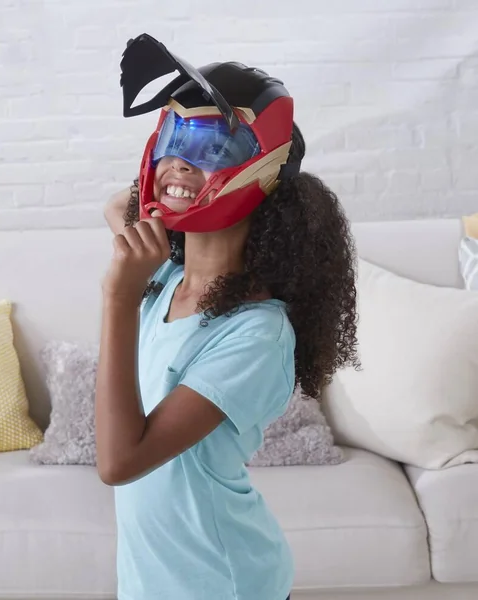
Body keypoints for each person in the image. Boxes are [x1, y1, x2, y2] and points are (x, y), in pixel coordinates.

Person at [95, 34, 359, 600]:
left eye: (212, 146)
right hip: (151, 583)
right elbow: (117, 205)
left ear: (264, 174)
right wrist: (165, 191)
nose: (179, 161)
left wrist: (118, 298)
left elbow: (119, 462)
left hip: (222, 581)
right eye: (173, 138)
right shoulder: (167, 278)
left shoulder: (257, 333)